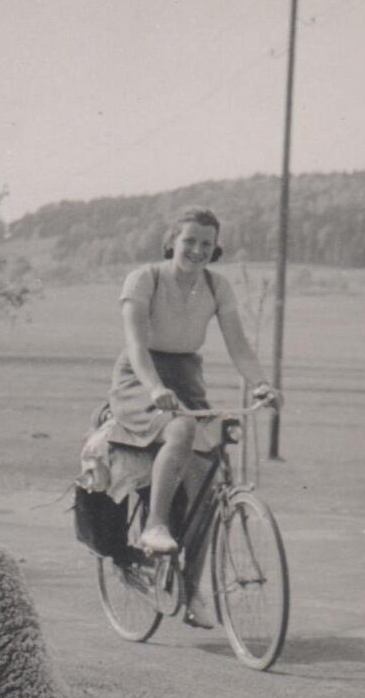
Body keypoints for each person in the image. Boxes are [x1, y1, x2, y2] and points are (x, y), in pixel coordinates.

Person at [106, 206, 280, 629]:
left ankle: (189, 586)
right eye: (189, 242)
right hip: (138, 377)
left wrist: (260, 383)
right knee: (182, 429)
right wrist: (154, 389)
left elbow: (239, 346)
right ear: (172, 242)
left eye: (207, 244)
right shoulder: (144, 279)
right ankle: (154, 525)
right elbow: (136, 345)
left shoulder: (216, 286)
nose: (198, 250)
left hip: (186, 377)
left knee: (210, 477)